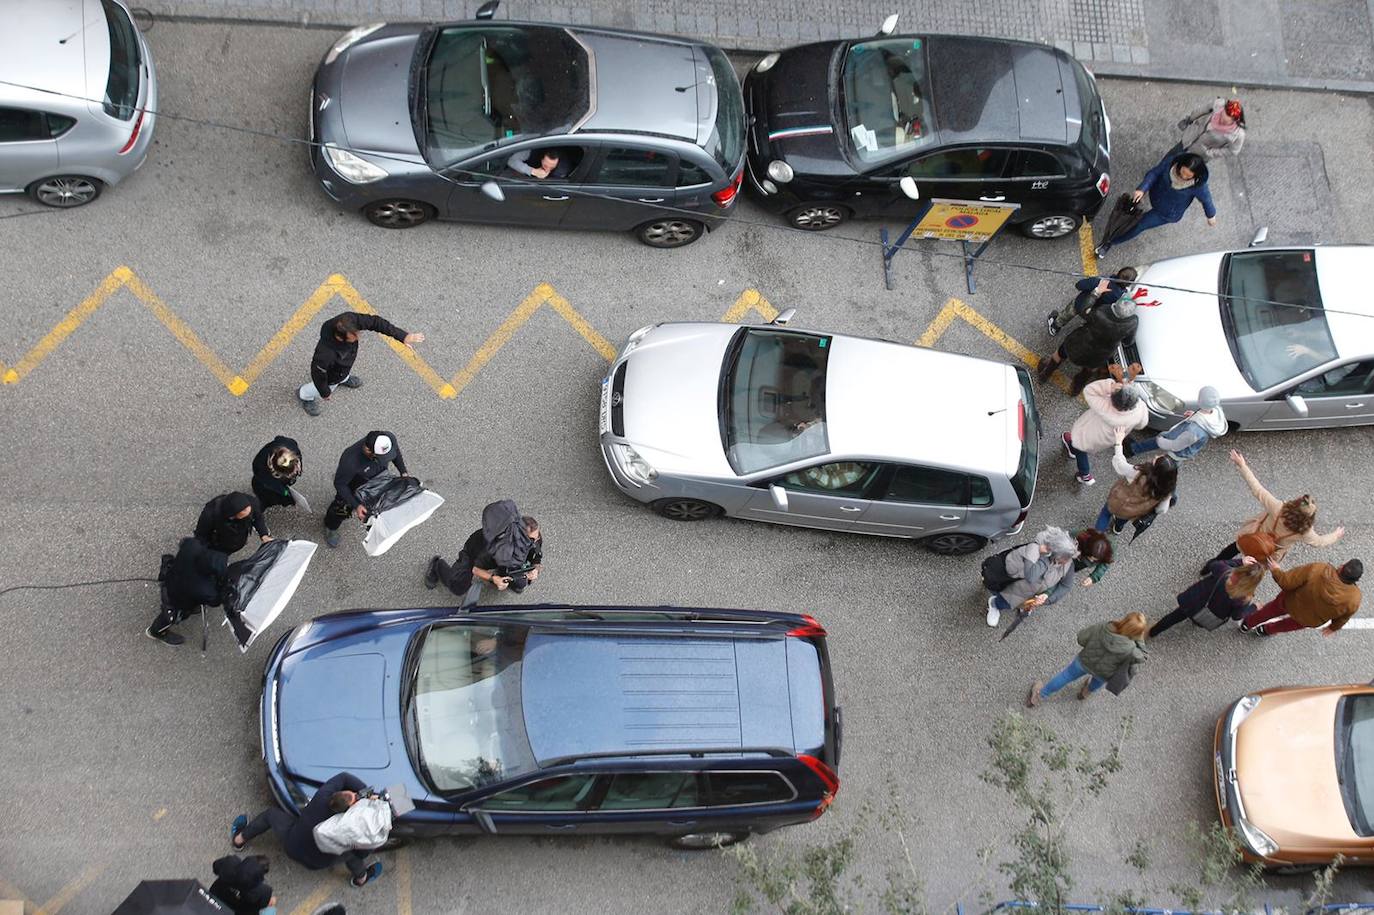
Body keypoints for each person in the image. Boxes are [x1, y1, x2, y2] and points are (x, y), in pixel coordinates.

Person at [230, 772, 383, 888]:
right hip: (317, 863)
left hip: (292, 845)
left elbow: (343, 777)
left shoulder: (322, 798)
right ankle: (360, 879)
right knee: (353, 856)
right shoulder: (351, 827)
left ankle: (239, 840)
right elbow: (364, 851)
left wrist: (359, 793)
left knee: (271, 815)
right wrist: (371, 796)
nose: (357, 795)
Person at [1207, 450, 1344, 566]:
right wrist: (1335, 535)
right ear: (1310, 518)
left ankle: (1213, 566)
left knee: (1234, 548)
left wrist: (1242, 465)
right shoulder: (1305, 532)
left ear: (1296, 503)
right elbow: (1319, 542)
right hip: (1270, 552)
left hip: (1253, 536)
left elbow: (1257, 489)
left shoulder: (1278, 508)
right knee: (1255, 566)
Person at [299, 312, 425, 417]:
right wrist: (325, 392)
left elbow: (375, 322)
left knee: (343, 372)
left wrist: (403, 336)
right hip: (333, 375)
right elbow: (317, 373)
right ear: (340, 338)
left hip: (343, 367)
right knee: (327, 385)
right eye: (352, 338)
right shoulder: (325, 354)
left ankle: (344, 378)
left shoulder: (348, 321)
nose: (357, 338)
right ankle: (304, 395)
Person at [1095, 152, 1215, 257]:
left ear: (1195, 175)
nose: (1183, 177)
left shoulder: (1199, 185)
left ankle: (1111, 242)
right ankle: (1111, 238)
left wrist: (1211, 215)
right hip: (1156, 196)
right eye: (1183, 172)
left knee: (1139, 225)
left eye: (1189, 176)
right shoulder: (1170, 164)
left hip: (1167, 212)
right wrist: (1143, 189)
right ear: (1180, 164)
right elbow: (1154, 173)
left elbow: (1206, 200)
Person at [1027, 612, 1149, 706]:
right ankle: (1085, 692)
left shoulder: (1104, 627)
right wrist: (1139, 638)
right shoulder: (1132, 649)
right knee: (1097, 682)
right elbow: (1143, 656)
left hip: (1084, 661)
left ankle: (1039, 696)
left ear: (1124, 620)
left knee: (1065, 677)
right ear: (1137, 633)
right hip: (1104, 672)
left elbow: (1081, 638)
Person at [427, 512, 543, 608]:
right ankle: (437, 565)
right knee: (458, 587)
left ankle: (504, 572)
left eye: (536, 538)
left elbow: (536, 555)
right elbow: (475, 569)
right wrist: (493, 578)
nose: (535, 541)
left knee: (520, 583)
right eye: (531, 539)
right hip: (475, 554)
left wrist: (536, 569)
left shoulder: (533, 538)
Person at [1060, 365, 1149, 486]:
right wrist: (1126, 379)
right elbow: (1141, 424)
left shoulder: (1104, 407)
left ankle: (1085, 473)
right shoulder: (1139, 410)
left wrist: (1110, 386)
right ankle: (1072, 449)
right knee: (1082, 447)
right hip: (1105, 439)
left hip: (1088, 434)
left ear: (1113, 399)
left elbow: (1089, 390)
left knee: (1080, 447)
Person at [1036, 297, 1138, 395]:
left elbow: (1084, 310)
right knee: (1089, 370)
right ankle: (1076, 388)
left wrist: (1095, 294)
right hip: (1101, 354)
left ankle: (1045, 374)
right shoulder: (1132, 322)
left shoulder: (1102, 311)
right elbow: (1128, 342)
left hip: (1079, 343)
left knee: (1060, 354)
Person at [324, 431, 408, 548]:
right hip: (353, 486)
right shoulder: (350, 461)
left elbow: (396, 454)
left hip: (377, 479)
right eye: (381, 458)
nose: (385, 460)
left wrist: (403, 472)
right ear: (368, 451)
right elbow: (340, 484)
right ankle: (331, 526)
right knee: (341, 508)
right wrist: (356, 505)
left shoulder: (388, 438)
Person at [1241, 558, 1363, 637]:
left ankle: (1248, 624)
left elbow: (1287, 582)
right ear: (1355, 580)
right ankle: (1265, 630)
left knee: (1268, 611)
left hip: (1289, 601)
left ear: (1342, 567)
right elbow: (1342, 618)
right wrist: (1333, 628)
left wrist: (1276, 570)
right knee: (1285, 626)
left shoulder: (1318, 569)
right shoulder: (1354, 599)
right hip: (1308, 619)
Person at [984, 527, 1079, 627]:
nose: (1068, 561)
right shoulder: (1034, 552)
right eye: (1066, 558)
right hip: (1012, 587)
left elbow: (1066, 585)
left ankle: (1019, 604)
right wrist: (1044, 560)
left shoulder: (1065, 561)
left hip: (1028, 592)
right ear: (1055, 554)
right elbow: (1031, 577)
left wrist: (1047, 596)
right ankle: (994, 604)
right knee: (1004, 601)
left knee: (1018, 601)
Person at [1150, 556, 1264, 637]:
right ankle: (1195, 621)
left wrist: (1240, 561)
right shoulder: (1244, 598)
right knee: (1198, 619)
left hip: (1192, 601)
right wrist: (1254, 607)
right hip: (1210, 615)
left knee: (1173, 617)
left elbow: (1212, 564)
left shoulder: (1223, 571)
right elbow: (1236, 616)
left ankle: (1153, 632)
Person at [146, 537, 228, 646]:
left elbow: (185, 542)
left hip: (171, 578)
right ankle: (156, 632)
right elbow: (216, 601)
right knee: (171, 616)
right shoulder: (204, 589)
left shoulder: (192, 546)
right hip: (176, 599)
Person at [1095, 434, 1178, 535]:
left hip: (1118, 500)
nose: (1155, 456)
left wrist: (1118, 442)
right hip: (1133, 510)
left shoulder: (1139, 473)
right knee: (1123, 517)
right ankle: (1118, 528)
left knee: (1105, 514)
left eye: (1157, 459)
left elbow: (1120, 464)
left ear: (1155, 469)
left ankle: (1096, 536)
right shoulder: (1166, 491)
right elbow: (1161, 510)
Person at [1125, 386, 1226, 461]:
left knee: (1158, 447)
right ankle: (1135, 448)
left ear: (1201, 401)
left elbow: (1176, 445)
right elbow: (1204, 418)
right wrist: (1194, 415)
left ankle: (1131, 450)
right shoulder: (1215, 411)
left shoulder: (1194, 431)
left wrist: (1160, 441)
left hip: (1176, 447)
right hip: (1183, 445)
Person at [1045, 268, 1137, 338]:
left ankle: (1055, 326)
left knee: (1067, 314)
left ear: (1118, 273)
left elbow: (1079, 285)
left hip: (1079, 304)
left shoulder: (1101, 281)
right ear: (1129, 284)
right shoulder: (1121, 296)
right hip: (1093, 314)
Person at [195, 492, 271, 556]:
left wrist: (264, 534)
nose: (249, 513)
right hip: (219, 545)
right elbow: (201, 535)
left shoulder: (251, 503)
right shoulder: (210, 514)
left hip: (238, 539)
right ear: (233, 514)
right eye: (244, 512)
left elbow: (258, 518)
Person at [1173, 97, 1246, 160]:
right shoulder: (1218, 105)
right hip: (1188, 139)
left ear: (1235, 120)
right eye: (1222, 116)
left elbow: (1233, 151)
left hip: (1199, 154)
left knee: (1184, 170)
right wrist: (1189, 120)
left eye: (1225, 121)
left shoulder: (1238, 134)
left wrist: (1209, 153)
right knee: (1170, 158)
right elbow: (1201, 111)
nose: (1221, 120)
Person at [209, 854, 275, 915]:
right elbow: (263, 905)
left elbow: (215, 867)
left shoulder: (229, 863)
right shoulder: (264, 891)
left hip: (214, 899)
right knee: (272, 903)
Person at [251, 436, 303, 510]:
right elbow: (274, 486)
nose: (296, 471)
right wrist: (286, 493)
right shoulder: (261, 467)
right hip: (263, 486)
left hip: (274, 481)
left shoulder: (290, 447)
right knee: (265, 498)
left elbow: (281, 439)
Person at [506, 147, 571, 180]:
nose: (547, 170)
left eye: (552, 167)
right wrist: (532, 171)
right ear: (542, 159)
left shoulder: (562, 169)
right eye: (545, 165)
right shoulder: (534, 150)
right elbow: (512, 160)